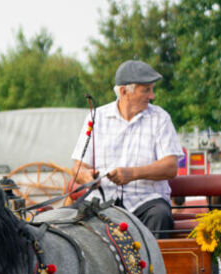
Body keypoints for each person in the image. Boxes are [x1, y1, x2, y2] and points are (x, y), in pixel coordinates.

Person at [67, 59, 183, 234]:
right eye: (146, 90)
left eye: (152, 89)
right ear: (124, 91)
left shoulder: (160, 118)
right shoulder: (96, 117)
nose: (152, 96)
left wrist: (132, 174)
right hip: (101, 202)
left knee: (160, 215)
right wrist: (85, 176)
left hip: (146, 202)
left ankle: (155, 262)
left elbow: (170, 167)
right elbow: (78, 167)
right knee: (63, 220)